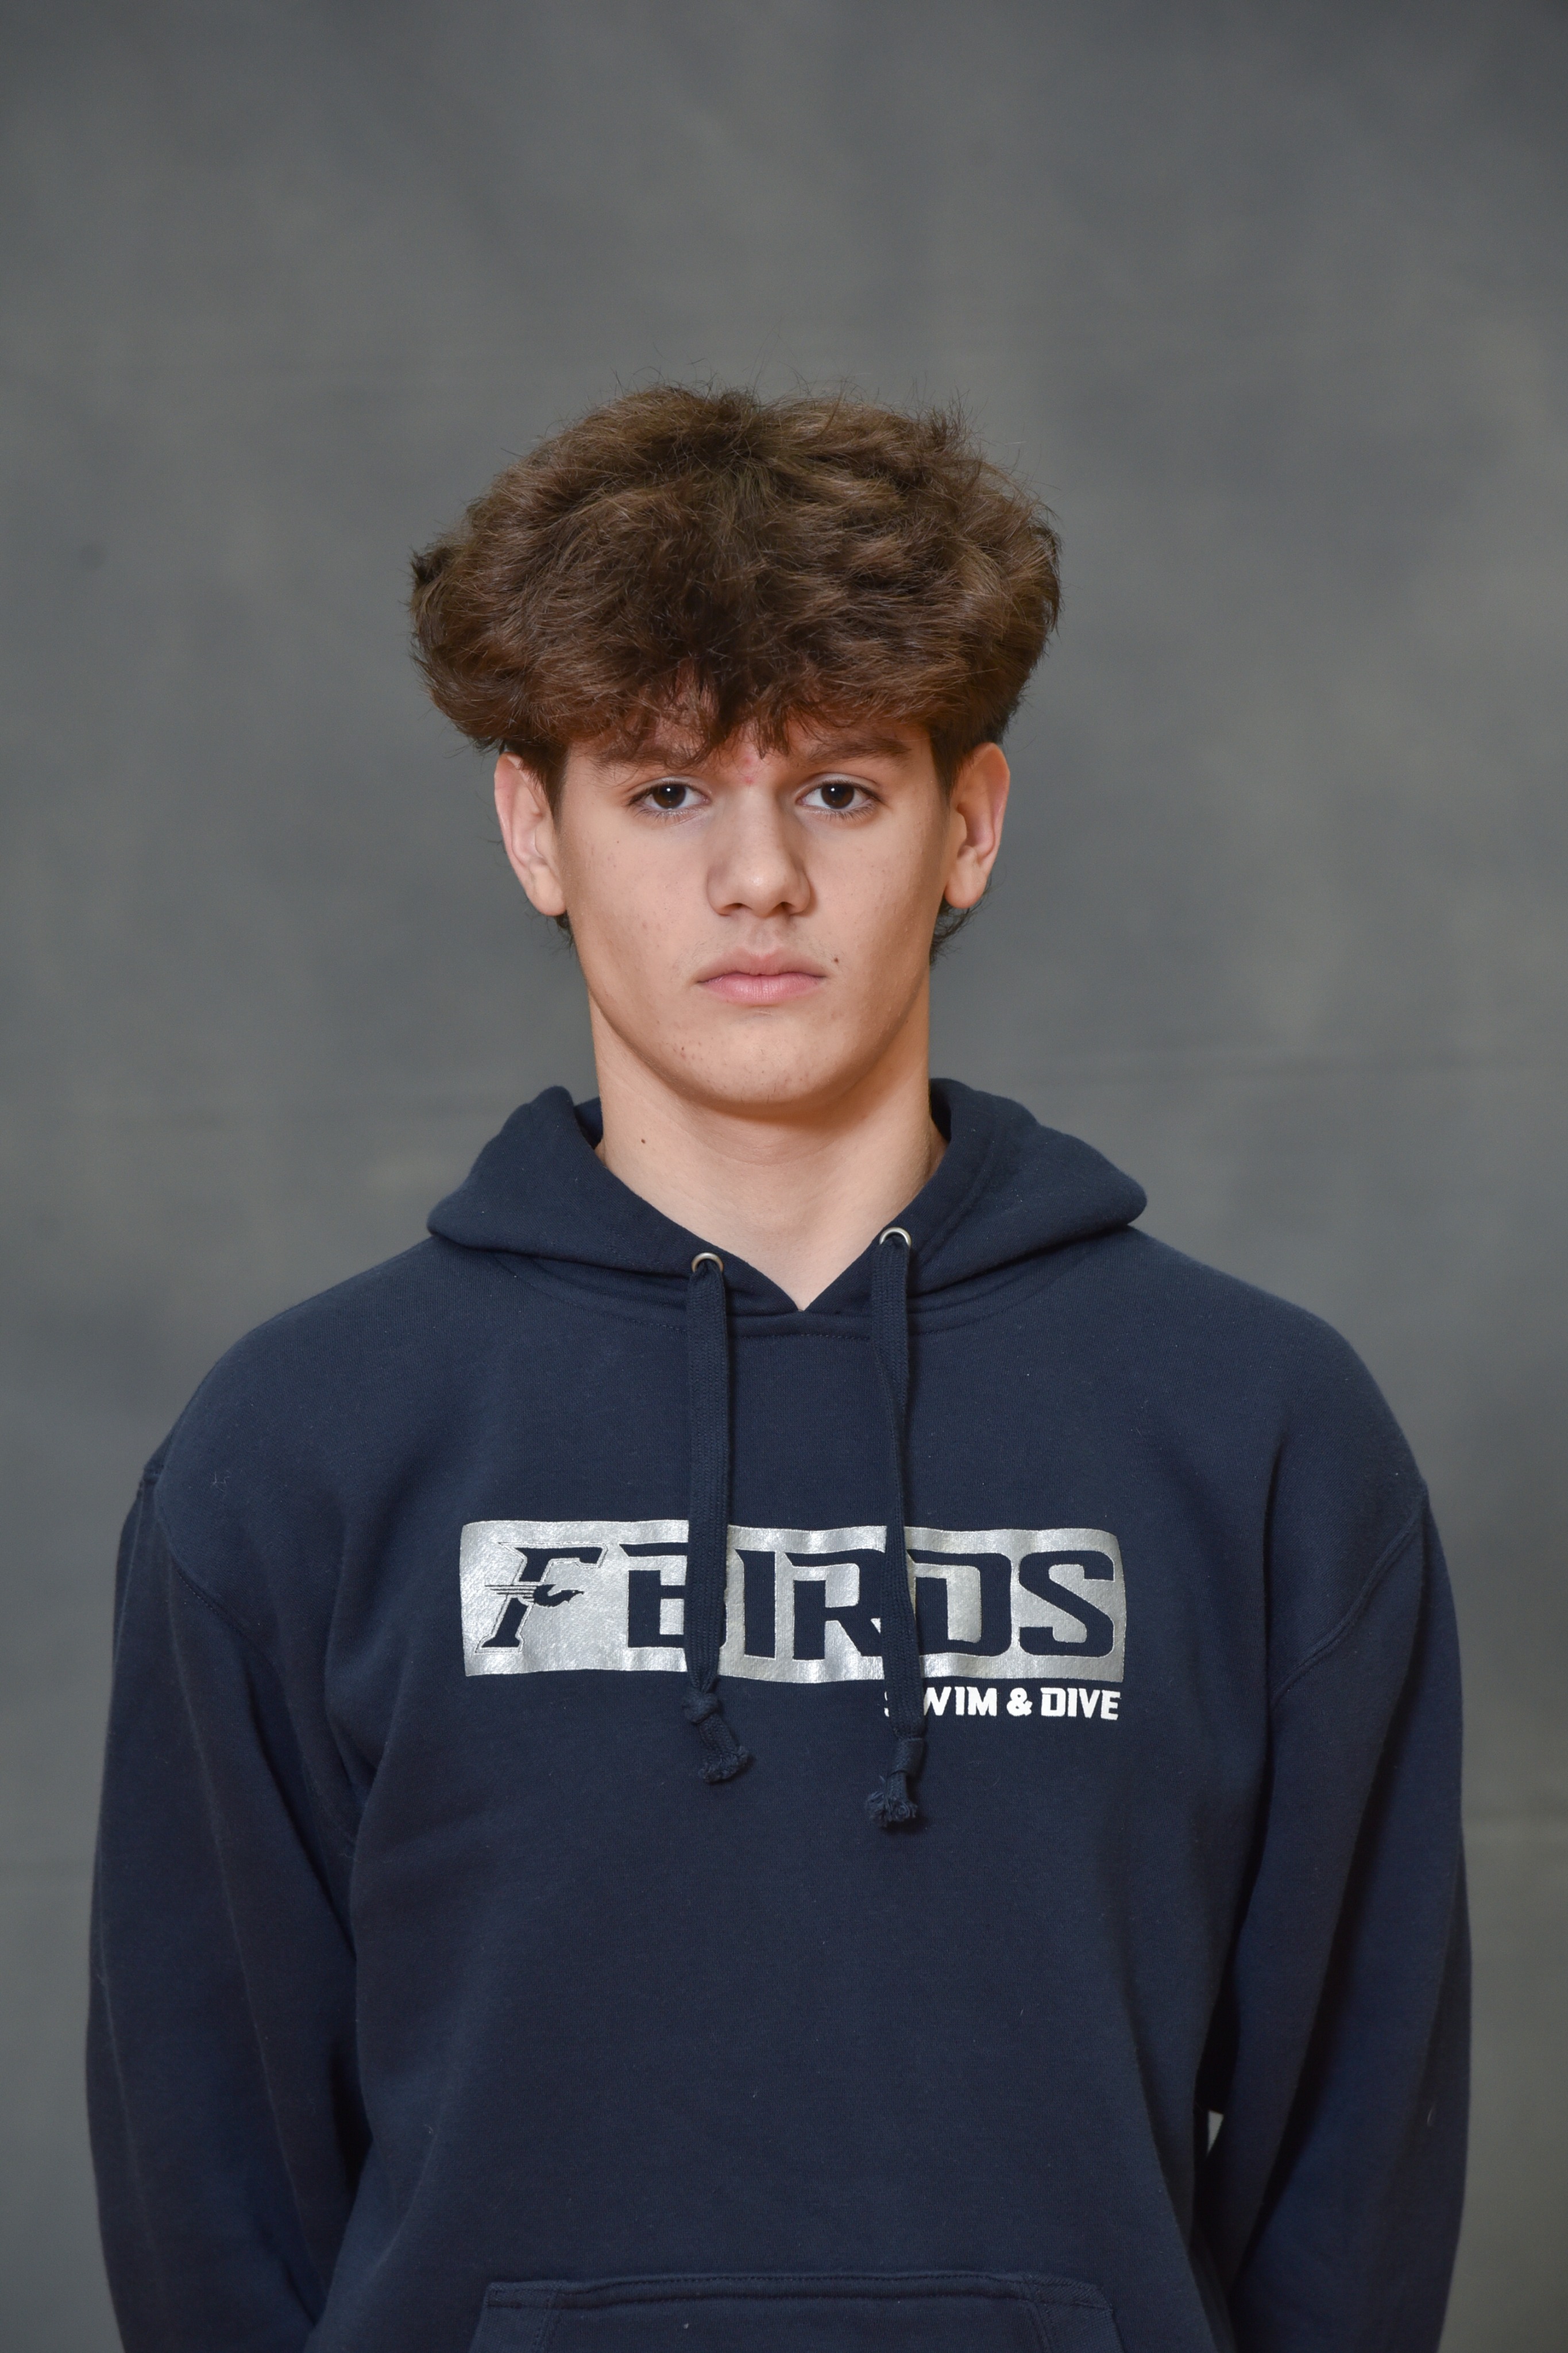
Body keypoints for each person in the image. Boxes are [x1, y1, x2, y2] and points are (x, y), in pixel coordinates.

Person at [88, 387, 1468, 2353]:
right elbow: (211, 2176)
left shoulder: (1257, 1436)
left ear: (965, 826)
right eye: (665, 793)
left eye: (837, 790)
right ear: (534, 831)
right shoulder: (298, 1452)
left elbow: (1352, 2156)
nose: (758, 880)